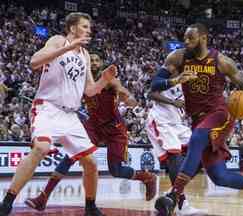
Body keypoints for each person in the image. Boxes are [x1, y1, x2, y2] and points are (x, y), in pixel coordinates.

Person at [151, 23, 243, 215]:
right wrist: (175, 80)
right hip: (198, 119)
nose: (186, 41)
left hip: (220, 114)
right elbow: (154, 86)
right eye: (185, 38)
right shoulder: (178, 57)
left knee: (197, 138)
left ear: (204, 38)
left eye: (191, 38)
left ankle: (174, 195)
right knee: (219, 176)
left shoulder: (221, 61)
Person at [0, 12, 116, 216]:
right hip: (48, 108)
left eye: (89, 27)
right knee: (41, 147)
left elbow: (89, 90)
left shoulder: (85, 55)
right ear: (73, 28)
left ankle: (90, 206)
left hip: (70, 116)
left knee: (91, 162)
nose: (89, 30)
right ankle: (7, 201)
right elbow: (34, 62)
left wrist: (104, 80)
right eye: (85, 26)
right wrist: (68, 47)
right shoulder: (58, 40)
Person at [23, 48, 157, 212]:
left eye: (96, 60)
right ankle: (43, 197)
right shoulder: (80, 79)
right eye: (91, 60)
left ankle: (147, 177)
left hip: (114, 127)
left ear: (101, 63)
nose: (93, 63)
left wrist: (128, 98)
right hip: (93, 125)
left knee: (116, 170)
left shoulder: (108, 80)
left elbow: (122, 91)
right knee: (69, 157)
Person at [146, 81, 208, 216]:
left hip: (177, 124)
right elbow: (151, 93)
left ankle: (172, 193)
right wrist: (173, 102)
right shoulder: (170, 70)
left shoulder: (192, 83)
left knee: (204, 153)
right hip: (161, 121)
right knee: (175, 156)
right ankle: (181, 204)